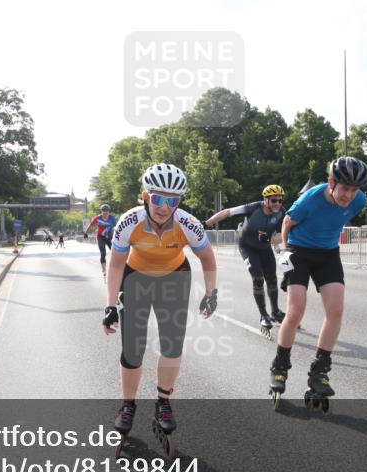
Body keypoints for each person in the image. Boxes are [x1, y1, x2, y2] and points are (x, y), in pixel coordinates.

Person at [102, 163, 218, 453]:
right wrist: (109, 305)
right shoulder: (129, 221)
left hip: (174, 277)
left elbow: (208, 259)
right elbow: (116, 264)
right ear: (145, 196)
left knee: (172, 344)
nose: (165, 207)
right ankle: (128, 405)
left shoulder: (188, 223)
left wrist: (211, 294)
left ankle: (163, 403)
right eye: (158, 199)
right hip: (136, 277)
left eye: (172, 201)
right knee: (132, 347)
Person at [269, 156, 367, 410]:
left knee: (335, 311)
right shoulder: (310, 199)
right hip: (299, 250)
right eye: (344, 188)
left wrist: (328, 235)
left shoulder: (359, 200)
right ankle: (280, 365)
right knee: (296, 310)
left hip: (327, 254)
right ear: (331, 183)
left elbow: (340, 218)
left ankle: (319, 371)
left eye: (353, 189)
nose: (348, 195)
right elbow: (287, 223)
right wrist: (285, 252)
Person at [205, 185, 286, 340]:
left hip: (264, 247)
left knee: (272, 279)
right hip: (248, 247)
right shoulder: (253, 208)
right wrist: (205, 224)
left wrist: (269, 239)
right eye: (274, 200)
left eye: (280, 200)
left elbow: (284, 234)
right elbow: (227, 212)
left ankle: (275, 311)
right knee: (258, 278)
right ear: (265, 200)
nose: (277, 203)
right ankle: (263, 315)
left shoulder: (281, 212)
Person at [84, 204, 117, 279]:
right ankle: (104, 269)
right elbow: (91, 225)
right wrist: (86, 233)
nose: (105, 212)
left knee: (115, 252)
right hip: (100, 237)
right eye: (103, 211)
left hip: (109, 237)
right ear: (101, 211)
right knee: (103, 252)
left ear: (109, 211)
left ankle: (114, 267)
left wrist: (115, 233)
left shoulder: (112, 218)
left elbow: (116, 226)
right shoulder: (98, 218)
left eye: (107, 211)